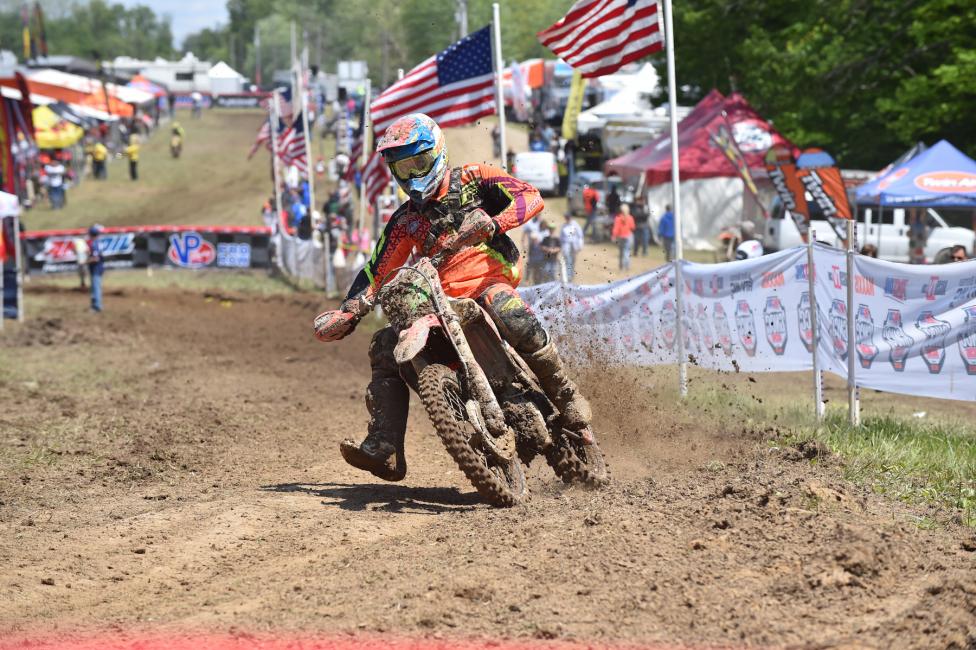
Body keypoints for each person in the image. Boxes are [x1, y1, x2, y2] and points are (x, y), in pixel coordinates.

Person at [313, 113, 594, 482]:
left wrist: (495, 222)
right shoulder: (405, 221)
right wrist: (349, 312)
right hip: (440, 297)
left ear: (438, 152)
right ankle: (385, 445)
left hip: (490, 278)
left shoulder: (474, 179)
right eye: (404, 168)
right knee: (384, 343)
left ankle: (564, 392)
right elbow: (376, 269)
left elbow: (531, 196)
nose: (414, 175)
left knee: (504, 307)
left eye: (420, 163)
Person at [559, 210, 584, 283]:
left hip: (574, 245)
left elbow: (580, 235)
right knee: (568, 260)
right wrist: (561, 246)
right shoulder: (564, 226)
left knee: (572, 261)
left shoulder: (575, 225)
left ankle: (571, 276)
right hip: (566, 245)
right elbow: (561, 237)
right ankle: (568, 276)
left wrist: (580, 245)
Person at [611, 204, 636, 271]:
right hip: (628, 236)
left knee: (621, 252)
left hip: (620, 237)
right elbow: (633, 227)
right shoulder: (630, 218)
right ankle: (627, 266)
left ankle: (621, 267)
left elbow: (616, 228)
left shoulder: (618, 218)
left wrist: (614, 236)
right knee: (627, 251)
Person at [86, 225, 104, 312]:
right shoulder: (97, 242)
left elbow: (96, 258)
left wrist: (86, 261)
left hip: (96, 269)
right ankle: (94, 305)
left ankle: (97, 306)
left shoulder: (94, 244)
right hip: (97, 268)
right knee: (94, 287)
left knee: (96, 287)